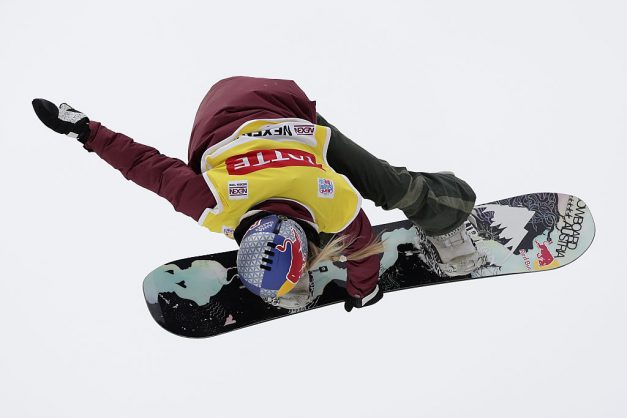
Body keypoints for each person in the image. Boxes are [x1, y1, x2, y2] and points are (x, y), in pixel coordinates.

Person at [32, 76, 481, 311]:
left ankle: (448, 217)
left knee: (389, 186)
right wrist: (86, 131)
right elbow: (145, 167)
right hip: (225, 118)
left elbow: (364, 250)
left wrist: (364, 290)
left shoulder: (334, 203)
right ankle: (290, 271)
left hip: (284, 110)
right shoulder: (211, 203)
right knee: (352, 217)